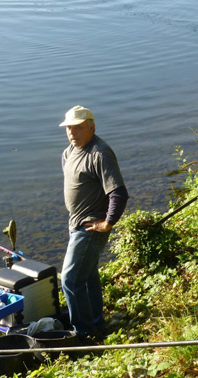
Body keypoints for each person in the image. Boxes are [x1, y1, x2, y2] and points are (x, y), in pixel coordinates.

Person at [59, 105, 129, 339]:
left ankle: (83, 332)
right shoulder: (69, 152)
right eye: (69, 127)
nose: (72, 132)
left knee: (69, 279)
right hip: (76, 224)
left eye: (78, 127)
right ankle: (96, 324)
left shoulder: (99, 153)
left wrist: (107, 223)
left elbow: (118, 193)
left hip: (89, 227)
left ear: (91, 127)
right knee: (87, 275)